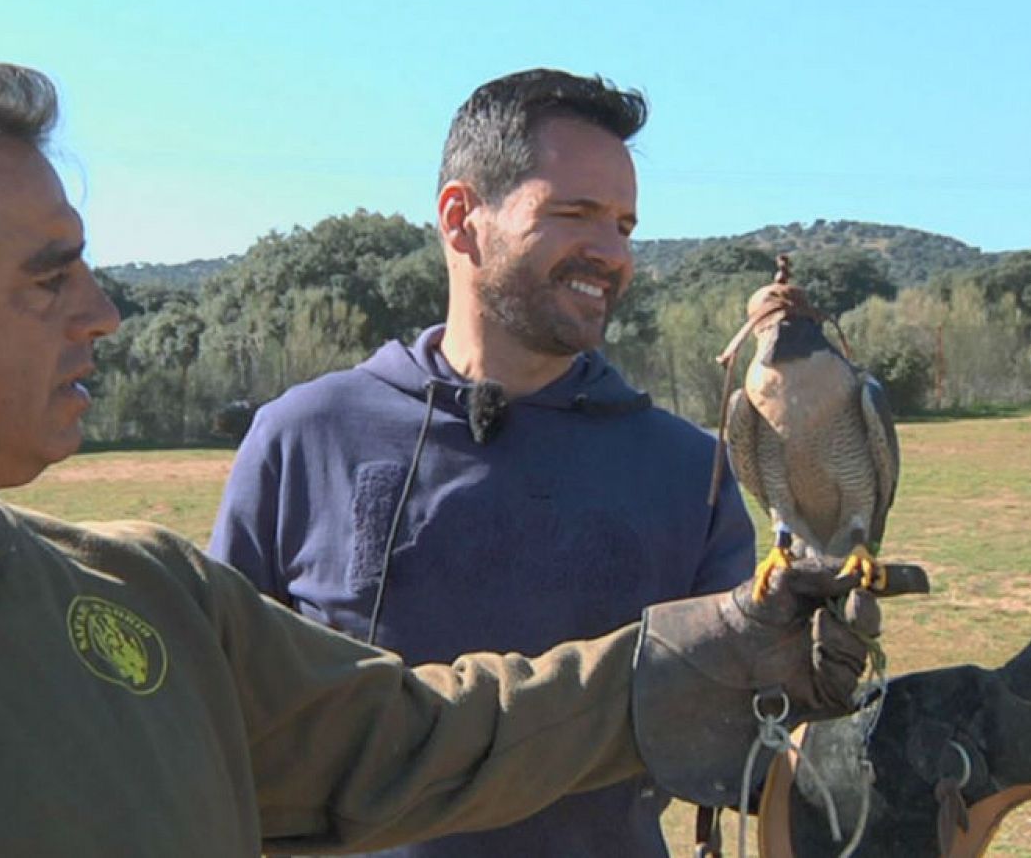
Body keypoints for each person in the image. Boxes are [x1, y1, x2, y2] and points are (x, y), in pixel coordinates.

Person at [0, 39, 876, 856]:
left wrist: (713, 651)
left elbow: (417, 735)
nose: (103, 311)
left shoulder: (147, 589)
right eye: (49, 276)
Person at [208, 69, 756, 856]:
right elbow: (224, 721)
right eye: (575, 214)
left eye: (625, 227)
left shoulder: (688, 469)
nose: (611, 255)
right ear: (462, 219)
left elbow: (741, 742)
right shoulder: (305, 438)